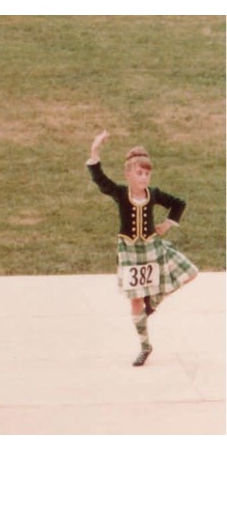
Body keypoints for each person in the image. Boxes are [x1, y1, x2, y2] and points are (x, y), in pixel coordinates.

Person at [87, 131, 198, 366]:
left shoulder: (153, 194)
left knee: (190, 272)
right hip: (130, 252)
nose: (144, 178)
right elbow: (100, 180)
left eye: (147, 174)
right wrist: (95, 150)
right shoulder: (120, 193)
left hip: (152, 248)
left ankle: (153, 302)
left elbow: (178, 203)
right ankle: (145, 346)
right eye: (139, 173)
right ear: (128, 175)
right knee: (135, 301)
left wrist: (167, 224)